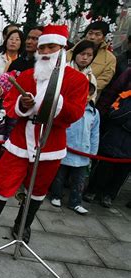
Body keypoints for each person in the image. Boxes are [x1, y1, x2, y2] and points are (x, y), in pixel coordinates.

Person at [0, 25, 89, 244]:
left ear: (62, 49)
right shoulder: (28, 75)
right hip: (20, 139)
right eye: (43, 47)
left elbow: (75, 113)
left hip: (51, 142)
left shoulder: (77, 80)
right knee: (2, 180)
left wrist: (53, 103)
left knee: (38, 188)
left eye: (51, 47)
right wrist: (22, 104)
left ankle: (22, 226)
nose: (46, 51)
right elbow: (9, 104)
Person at [49, 40, 100, 215]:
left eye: (89, 55)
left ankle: (75, 200)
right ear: (75, 53)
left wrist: (92, 151)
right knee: (59, 169)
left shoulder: (91, 78)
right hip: (64, 125)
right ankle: (55, 194)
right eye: (82, 54)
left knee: (79, 175)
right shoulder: (65, 72)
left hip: (83, 136)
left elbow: (95, 130)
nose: (85, 58)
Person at [67, 21, 116, 96]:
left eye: (97, 34)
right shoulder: (70, 52)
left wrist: (84, 91)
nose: (92, 37)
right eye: (90, 33)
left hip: (87, 97)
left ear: (103, 37)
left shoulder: (109, 59)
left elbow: (103, 81)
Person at [0, 29, 24, 96]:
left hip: (13, 102)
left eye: (17, 39)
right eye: (11, 39)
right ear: (6, 41)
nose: (13, 42)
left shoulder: (23, 63)